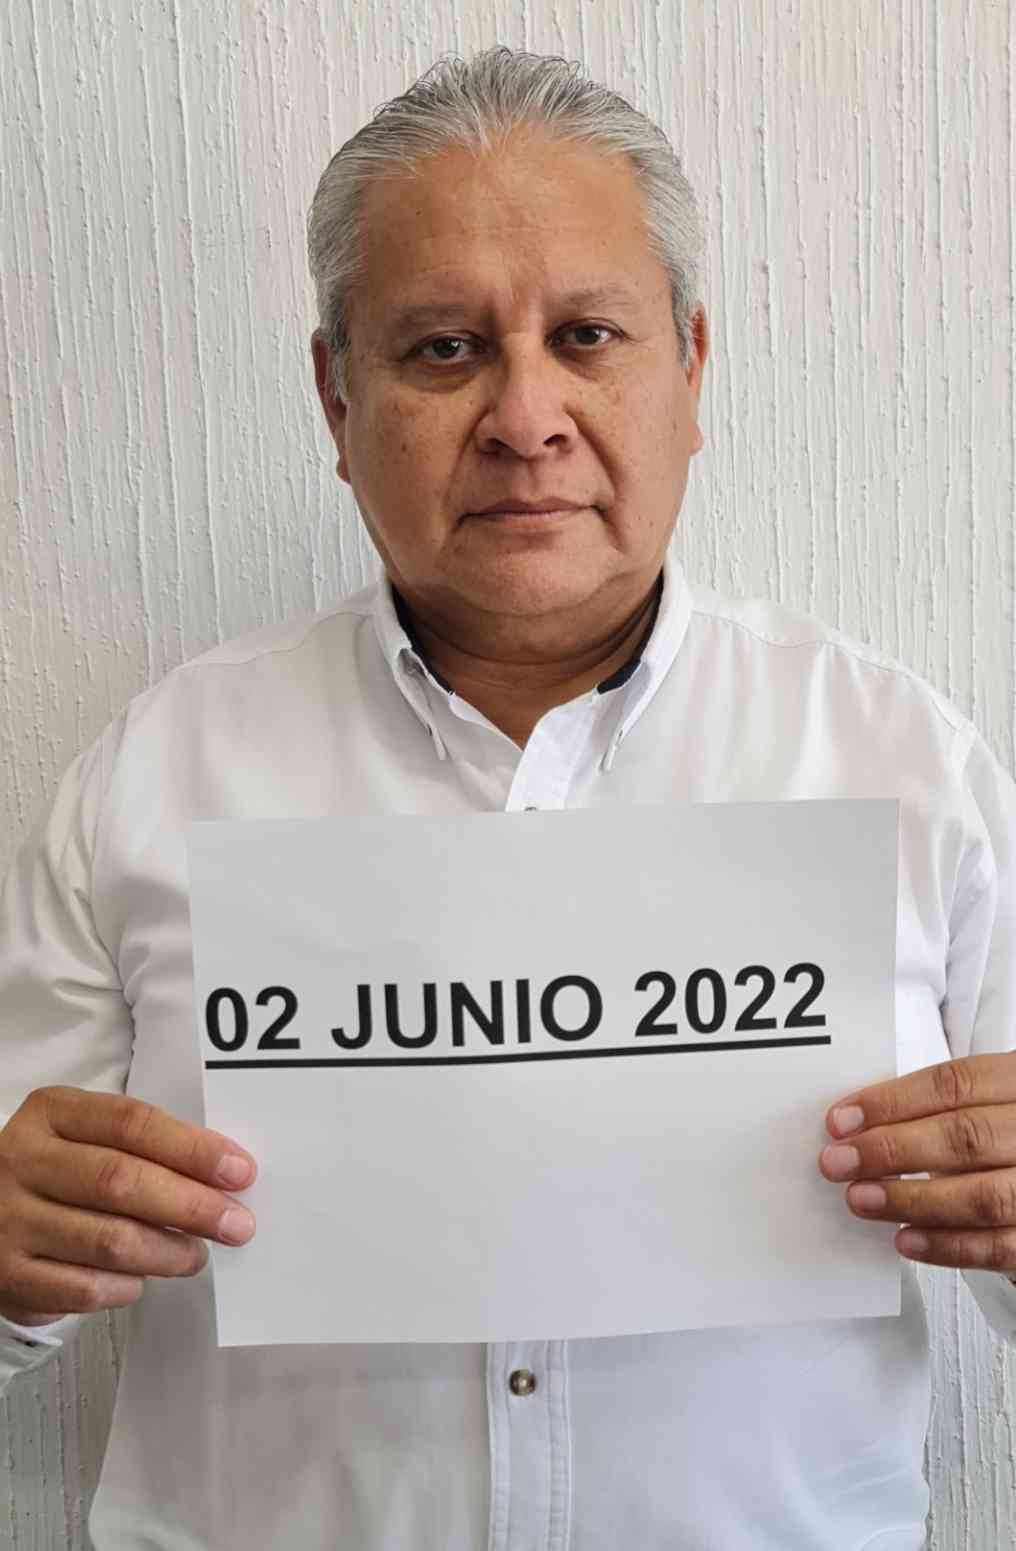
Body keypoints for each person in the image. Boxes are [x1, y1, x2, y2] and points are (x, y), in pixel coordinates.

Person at [1, 43, 1014, 1551]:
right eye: (443, 349)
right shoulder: (155, 778)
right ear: (336, 398)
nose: (526, 416)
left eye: (586, 335)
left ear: (690, 370)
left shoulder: (903, 765)